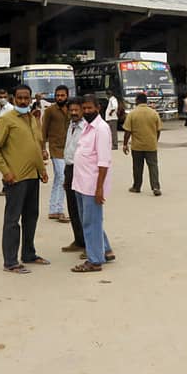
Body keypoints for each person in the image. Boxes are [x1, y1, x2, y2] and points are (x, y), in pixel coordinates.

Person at [0, 84, 50, 274]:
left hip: (33, 177)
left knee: (31, 217)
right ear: (14, 99)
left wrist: (42, 170)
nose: (23, 101)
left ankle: (29, 253)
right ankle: (10, 261)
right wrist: (6, 172)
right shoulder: (6, 120)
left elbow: (36, 146)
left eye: (26, 98)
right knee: (13, 220)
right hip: (16, 179)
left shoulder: (32, 119)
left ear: (31, 99)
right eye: (20, 98)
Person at [71, 94, 116, 273]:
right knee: (89, 221)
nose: (87, 111)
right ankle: (105, 250)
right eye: (85, 108)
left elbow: (104, 162)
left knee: (91, 223)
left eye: (90, 108)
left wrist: (99, 189)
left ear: (98, 108)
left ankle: (95, 261)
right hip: (81, 183)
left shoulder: (101, 129)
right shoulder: (87, 127)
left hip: (91, 186)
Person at [123, 93, 163, 196]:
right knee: (153, 166)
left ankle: (136, 187)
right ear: (146, 101)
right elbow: (158, 130)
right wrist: (155, 140)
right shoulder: (154, 113)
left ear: (137, 101)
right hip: (151, 145)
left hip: (137, 146)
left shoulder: (132, 114)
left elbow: (127, 131)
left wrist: (125, 144)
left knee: (137, 167)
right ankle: (155, 187)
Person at [41, 85, 71, 223]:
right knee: (62, 177)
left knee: (61, 179)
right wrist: (43, 148)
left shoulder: (72, 109)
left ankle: (54, 209)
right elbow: (44, 130)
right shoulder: (50, 111)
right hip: (55, 149)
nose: (60, 98)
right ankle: (57, 210)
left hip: (70, 149)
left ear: (67, 96)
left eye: (62, 95)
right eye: (57, 95)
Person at [61, 97, 86, 252]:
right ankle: (79, 240)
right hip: (69, 168)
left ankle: (89, 244)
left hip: (81, 170)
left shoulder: (87, 127)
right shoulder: (71, 124)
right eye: (71, 110)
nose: (74, 113)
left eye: (77, 110)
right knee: (72, 207)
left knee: (83, 209)